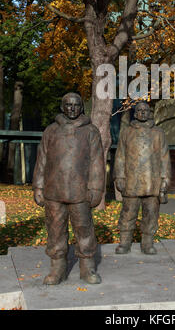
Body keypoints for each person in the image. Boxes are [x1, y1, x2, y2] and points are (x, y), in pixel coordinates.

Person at [32, 93, 105, 285]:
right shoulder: (51, 131)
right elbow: (42, 160)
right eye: (68, 105)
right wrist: (38, 186)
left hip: (80, 192)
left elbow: (97, 162)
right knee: (55, 230)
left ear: (81, 107)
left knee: (84, 230)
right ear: (62, 106)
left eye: (76, 105)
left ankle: (87, 268)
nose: (72, 108)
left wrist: (96, 189)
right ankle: (57, 269)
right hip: (53, 190)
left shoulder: (91, 131)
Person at [114, 101, 171, 255]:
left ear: (149, 113)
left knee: (151, 215)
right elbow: (120, 156)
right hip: (131, 182)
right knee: (128, 214)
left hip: (152, 183)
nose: (143, 113)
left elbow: (164, 158)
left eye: (145, 110)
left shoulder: (158, 133)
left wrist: (165, 181)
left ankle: (147, 243)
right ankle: (124, 243)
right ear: (135, 113)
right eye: (139, 110)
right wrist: (119, 176)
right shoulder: (126, 132)